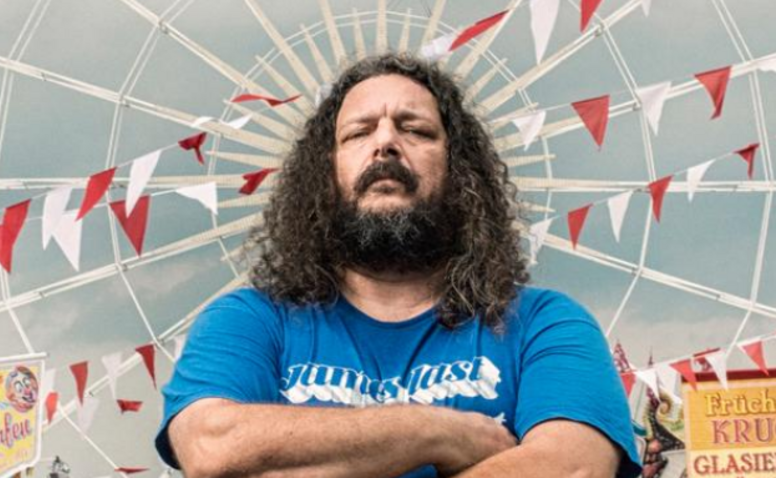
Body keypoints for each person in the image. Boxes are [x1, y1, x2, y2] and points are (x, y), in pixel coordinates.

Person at [155, 53, 642, 478]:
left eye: (415, 130)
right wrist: (436, 431)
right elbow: (213, 448)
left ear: (460, 171)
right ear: (324, 175)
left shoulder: (545, 324)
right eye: (358, 132)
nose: (385, 143)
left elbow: (571, 466)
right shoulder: (249, 321)